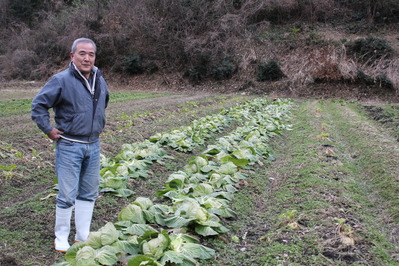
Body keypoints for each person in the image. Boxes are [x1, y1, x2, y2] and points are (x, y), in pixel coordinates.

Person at [31, 38, 109, 252]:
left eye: (91, 54)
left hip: (93, 145)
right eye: (82, 53)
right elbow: (38, 106)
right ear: (72, 55)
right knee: (67, 194)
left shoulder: (99, 80)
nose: (87, 58)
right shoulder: (61, 80)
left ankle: (82, 237)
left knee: (88, 193)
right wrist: (48, 129)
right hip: (70, 146)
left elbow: (104, 103)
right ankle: (61, 236)